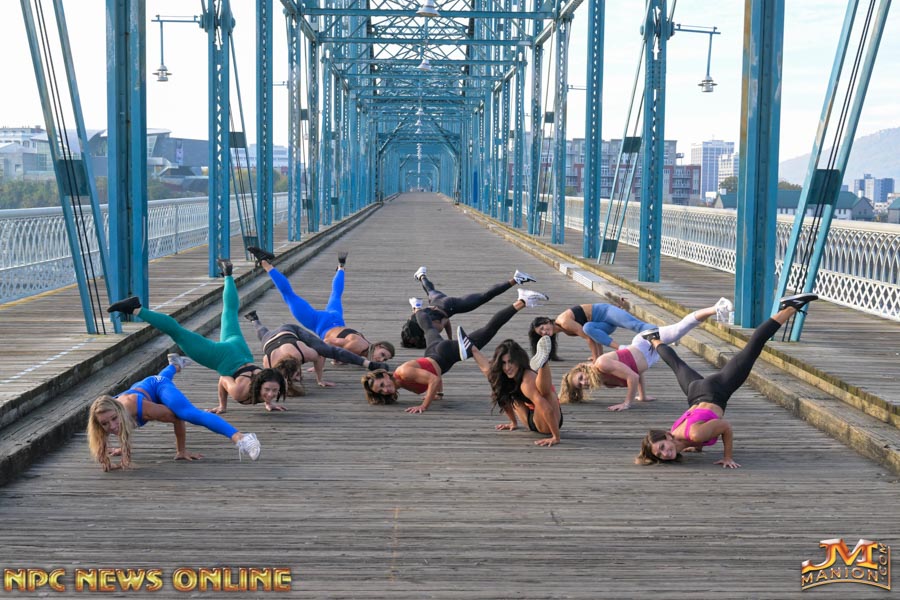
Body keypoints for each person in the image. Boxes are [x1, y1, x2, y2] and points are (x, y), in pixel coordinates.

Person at [635, 293, 819, 469]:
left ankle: (790, 308)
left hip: (716, 391)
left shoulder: (695, 435)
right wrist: (697, 446)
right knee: (677, 365)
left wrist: (727, 457)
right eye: (660, 454)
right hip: (694, 392)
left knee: (753, 347)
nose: (666, 453)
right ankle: (653, 338)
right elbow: (695, 430)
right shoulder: (679, 435)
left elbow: (725, 427)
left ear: (668, 436)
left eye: (662, 447)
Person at [107, 258, 286, 414]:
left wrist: (268, 403)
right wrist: (222, 406)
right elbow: (223, 379)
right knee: (178, 334)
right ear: (260, 384)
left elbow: (268, 382)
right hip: (223, 358)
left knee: (230, 312)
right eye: (268, 391)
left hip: (241, 350)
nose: (271, 394)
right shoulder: (239, 391)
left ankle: (228, 274)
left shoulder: (269, 379)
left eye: (274, 391)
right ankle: (136, 308)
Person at [361, 290, 547, 414]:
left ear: (385, 374)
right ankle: (417, 307)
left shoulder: (403, 373)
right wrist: (438, 394)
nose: (386, 389)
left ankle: (522, 301)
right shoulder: (400, 382)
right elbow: (434, 375)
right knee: (428, 329)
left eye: (382, 384)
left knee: (488, 331)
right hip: (434, 353)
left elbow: (434, 379)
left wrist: (424, 405)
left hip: (445, 354)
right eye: (381, 390)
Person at [87, 354, 261, 471]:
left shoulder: (139, 408)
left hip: (157, 386)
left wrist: (181, 450)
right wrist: (110, 460)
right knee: (162, 376)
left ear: (120, 411)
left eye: (114, 419)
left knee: (188, 413)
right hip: (142, 387)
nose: (112, 426)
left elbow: (177, 418)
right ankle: (174, 364)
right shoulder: (102, 417)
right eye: (105, 424)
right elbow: (102, 442)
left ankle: (242, 438)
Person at [559, 298, 731, 410]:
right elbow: (636, 371)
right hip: (650, 357)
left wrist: (627, 403)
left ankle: (716, 307)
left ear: (582, 369)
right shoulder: (603, 380)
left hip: (645, 342)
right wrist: (642, 396)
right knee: (676, 334)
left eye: (581, 378)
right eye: (581, 385)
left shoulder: (602, 364)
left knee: (679, 329)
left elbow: (632, 376)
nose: (584, 382)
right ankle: (669, 339)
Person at [249, 247, 394, 362]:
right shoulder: (358, 346)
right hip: (320, 323)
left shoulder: (365, 345)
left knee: (336, 294)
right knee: (289, 296)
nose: (381, 360)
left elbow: (343, 346)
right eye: (382, 354)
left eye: (384, 359)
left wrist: (340, 358)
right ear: (378, 346)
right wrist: (319, 359)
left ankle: (341, 267)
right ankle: (265, 263)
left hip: (336, 318)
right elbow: (327, 342)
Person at [245, 310, 393, 392]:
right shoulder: (269, 363)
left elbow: (320, 356)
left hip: (289, 330)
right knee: (263, 334)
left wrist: (319, 378)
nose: (299, 377)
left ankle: (368, 364)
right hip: (272, 340)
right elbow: (265, 383)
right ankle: (254, 320)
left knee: (327, 349)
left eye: (297, 374)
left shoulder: (304, 353)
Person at [401, 265, 539, 348]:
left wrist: (449, 339)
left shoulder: (434, 327)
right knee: (430, 290)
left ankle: (516, 279)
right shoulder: (419, 318)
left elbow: (446, 321)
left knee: (484, 296)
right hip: (437, 302)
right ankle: (421, 275)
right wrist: (450, 338)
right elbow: (443, 319)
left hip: (451, 306)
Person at [470, 335, 562, 447]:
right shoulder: (505, 377)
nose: (507, 367)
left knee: (546, 394)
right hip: (532, 420)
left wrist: (556, 437)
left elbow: (547, 409)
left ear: (518, 361)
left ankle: (543, 363)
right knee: (496, 378)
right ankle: (471, 349)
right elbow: (503, 398)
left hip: (547, 422)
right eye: (503, 363)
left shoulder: (527, 381)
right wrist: (513, 422)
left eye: (511, 362)